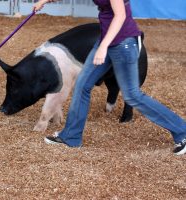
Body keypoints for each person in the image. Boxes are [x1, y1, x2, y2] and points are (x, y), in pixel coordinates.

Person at [33, 0, 186, 155]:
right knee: (82, 85)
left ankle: (183, 131)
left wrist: (103, 46)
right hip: (107, 40)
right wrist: (44, 1)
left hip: (123, 43)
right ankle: (71, 137)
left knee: (132, 96)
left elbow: (120, 15)